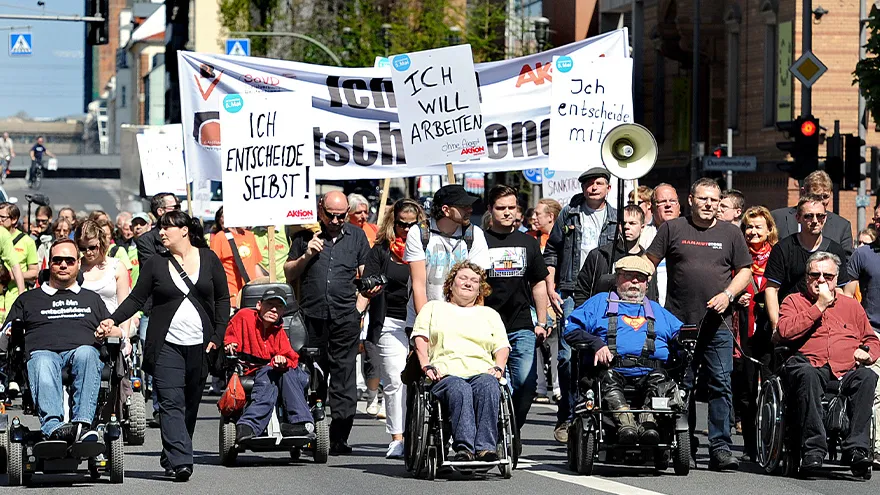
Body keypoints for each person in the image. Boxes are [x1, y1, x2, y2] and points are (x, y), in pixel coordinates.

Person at [101, 210, 230, 482]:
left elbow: (222, 300)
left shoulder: (208, 259)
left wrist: (217, 337)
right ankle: (182, 460)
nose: (161, 232)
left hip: (201, 345)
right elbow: (136, 300)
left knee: (190, 405)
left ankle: (172, 451)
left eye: (167, 228)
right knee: (171, 402)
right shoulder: (155, 264)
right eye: (160, 228)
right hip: (165, 346)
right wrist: (112, 319)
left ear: (184, 230)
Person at [646, 177, 753, 471]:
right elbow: (647, 263)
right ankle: (684, 443)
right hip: (679, 324)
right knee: (682, 387)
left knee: (720, 386)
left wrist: (729, 294)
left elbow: (746, 271)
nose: (709, 205)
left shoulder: (731, 233)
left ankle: (720, 447)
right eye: (703, 199)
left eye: (714, 200)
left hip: (718, 325)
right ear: (690, 200)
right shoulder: (673, 229)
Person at [777, 251, 879, 476]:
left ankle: (856, 449)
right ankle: (813, 448)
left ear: (836, 278)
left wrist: (868, 353)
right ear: (806, 277)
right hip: (808, 364)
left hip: (845, 368)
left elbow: (870, 339)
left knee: (868, 376)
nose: (821, 280)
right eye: (815, 275)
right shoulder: (793, 301)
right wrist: (819, 307)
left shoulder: (851, 306)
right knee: (808, 374)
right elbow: (784, 331)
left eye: (828, 276)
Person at [284, 190, 371, 455]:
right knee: (312, 374)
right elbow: (288, 273)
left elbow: (367, 277)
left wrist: (359, 309)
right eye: (331, 215)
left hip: (345, 317)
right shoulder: (304, 236)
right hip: (311, 317)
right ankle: (308, 428)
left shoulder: (356, 237)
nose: (335, 221)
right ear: (320, 211)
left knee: (344, 376)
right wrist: (306, 255)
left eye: (341, 216)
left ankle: (339, 435)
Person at [564, 256, 682, 444]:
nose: (635, 282)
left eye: (640, 278)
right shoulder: (599, 302)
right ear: (617, 278)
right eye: (629, 276)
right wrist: (596, 343)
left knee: (661, 380)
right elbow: (570, 330)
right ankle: (625, 421)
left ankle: (648, 421)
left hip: (651, 372)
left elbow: (681, 334)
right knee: (608, 379)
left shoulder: (657, 310)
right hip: (610, 371)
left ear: (647, 283)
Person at [6, 239, 114, 443]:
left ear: (78, 264)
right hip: (42, 353)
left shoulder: (92, 299)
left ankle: (82, 426)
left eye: (69, 260)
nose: (63, 265)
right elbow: (6, 333)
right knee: (43, 360)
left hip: (82, 352)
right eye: (57, 260)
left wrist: (111, 329)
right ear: (49, 263)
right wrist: (11, 332)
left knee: (88, 353)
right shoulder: (28, 299)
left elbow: (114, 328)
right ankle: (54, 428)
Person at [543, 166, 618, 443]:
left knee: (603, 350)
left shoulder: (616, 216)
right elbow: (552, 249)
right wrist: (552, 286)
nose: (593, 187)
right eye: (588, 183)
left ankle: (599, 413)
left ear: (608, 188)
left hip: (608, 289)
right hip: (573, 290)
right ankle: (568, 416)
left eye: (599, 183)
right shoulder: (569, 212)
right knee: (566, 355)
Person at [413, 261, 510, 462]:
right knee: (460, 388)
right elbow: (420, 338)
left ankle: (485, 448)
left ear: (480, 289)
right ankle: (465, 448)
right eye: (463, 278)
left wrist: (499, 366)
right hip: (445, 373)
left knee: (489, 386)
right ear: (451, 284)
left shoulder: (489, 314)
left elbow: (502, 345)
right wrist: (425, 364)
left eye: (474, 281)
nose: (468, 284)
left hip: (481, 371)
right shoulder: (433, 308)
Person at [361, 198, 425, 459]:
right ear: (392, 222)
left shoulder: (428, 247)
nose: (407, 230)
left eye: (413, 225)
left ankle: (426, 431)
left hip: (423, 319)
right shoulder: (381, 249)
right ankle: (397, 437)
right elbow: (367, 280)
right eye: (401, 224)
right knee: (397, 380)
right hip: (391, 321)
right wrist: (370, 288)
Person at [483, 185, 549, 434]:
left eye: (512, 207)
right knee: (491, 383)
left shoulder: (528, 242)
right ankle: (493, 429)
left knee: (525, 383)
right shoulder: (479, 241)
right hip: (486, 327)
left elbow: (539, 284)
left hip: (521, 323)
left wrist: (542, 322)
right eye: (501, 208)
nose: (507, 213)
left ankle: (511, 429)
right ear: (490, 210)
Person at [224, 288, 313, 442]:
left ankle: (301, 423)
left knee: (284, 372)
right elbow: (231, 336)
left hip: (281, 371)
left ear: (283, 311)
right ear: (259, 305)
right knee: (268, 379)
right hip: (254, 370)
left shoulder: (279, 331)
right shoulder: (244, 317)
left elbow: (290, 357)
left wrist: (282, 360)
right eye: (270, 304)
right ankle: (249, 425)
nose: (273, 309)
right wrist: (231, 344)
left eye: (278, 307)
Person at [764, 193, 850, 333]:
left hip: (825, 323)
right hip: (791, 319)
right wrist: (776, 326)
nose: (815, 220)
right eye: (808, 216)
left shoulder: (835, 249)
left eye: (820, 216)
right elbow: (771, 289)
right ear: (798, 218)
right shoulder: (783, 248)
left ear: (825, 217)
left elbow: (839, 289)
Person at [406, 184, 490, 326]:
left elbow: (478, 285)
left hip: (462, 321)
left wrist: (476, 323)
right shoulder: (419, 233)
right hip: (426, 317)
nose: (470, 210)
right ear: (446, 210)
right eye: (463, 206)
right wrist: (425, 325)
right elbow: (418, 285)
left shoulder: (474, 234)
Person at [731, 206, 778, 462]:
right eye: (749, 227)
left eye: (759, 226)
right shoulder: (737, 258)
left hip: (770, 333)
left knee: (771, 386)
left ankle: (770, 441)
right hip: (744, 332)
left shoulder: (776, 257)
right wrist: (737, 297)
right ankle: (750, 445)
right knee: (747, 392)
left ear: (769, 229)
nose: (753, 231)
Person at [574, 205, 658, 307]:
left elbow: (652, 296)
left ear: (642, 227)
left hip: (637, 319)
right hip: (602, 317)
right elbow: (582, 292)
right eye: (623, 223)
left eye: (632, 223)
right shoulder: (599, 256)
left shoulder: (648, 261)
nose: (627, 227)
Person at [528, 198, 562, 404]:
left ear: (551, 216)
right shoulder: (531, 238)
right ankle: (539, 387)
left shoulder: (560, 239)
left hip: (554, 297)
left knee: (557, 343)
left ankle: (557, 387)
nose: (533, 217)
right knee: (535, 343)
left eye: (538, 214)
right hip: (533, 300)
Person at [772, 170, 854, 255]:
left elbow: (846, 263)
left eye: (825, 196)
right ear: (803, 192)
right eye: (816, 196)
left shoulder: (842, 227)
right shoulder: (777, 219)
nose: (821, 201)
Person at [76, 220, 132, 338]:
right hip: (81, 330)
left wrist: (125, 338)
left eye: (92, 247)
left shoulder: (116, 266)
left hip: (110, 331)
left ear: (101, 242)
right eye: (82, 248)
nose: (88, 252)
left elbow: (124, 306)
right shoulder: (76, 267)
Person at [209, 206, 263, 307]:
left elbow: (255, 265)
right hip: (231, 297)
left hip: (251, 295)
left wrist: (266, 285)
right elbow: (213, 269)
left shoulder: (250, 236)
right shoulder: (219, 237)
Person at [650, 183, 681, 307]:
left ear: (679, 207)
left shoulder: (694, 234)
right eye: (662, 202)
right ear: (652, 208)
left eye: (672, 201)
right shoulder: (641, 239)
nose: (668, 205)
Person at [0, 202, 39, 285]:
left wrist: (12, 276)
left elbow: (34, 272)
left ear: (14, 219)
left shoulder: (27, 241)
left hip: (14, 295)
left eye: (2, 217)